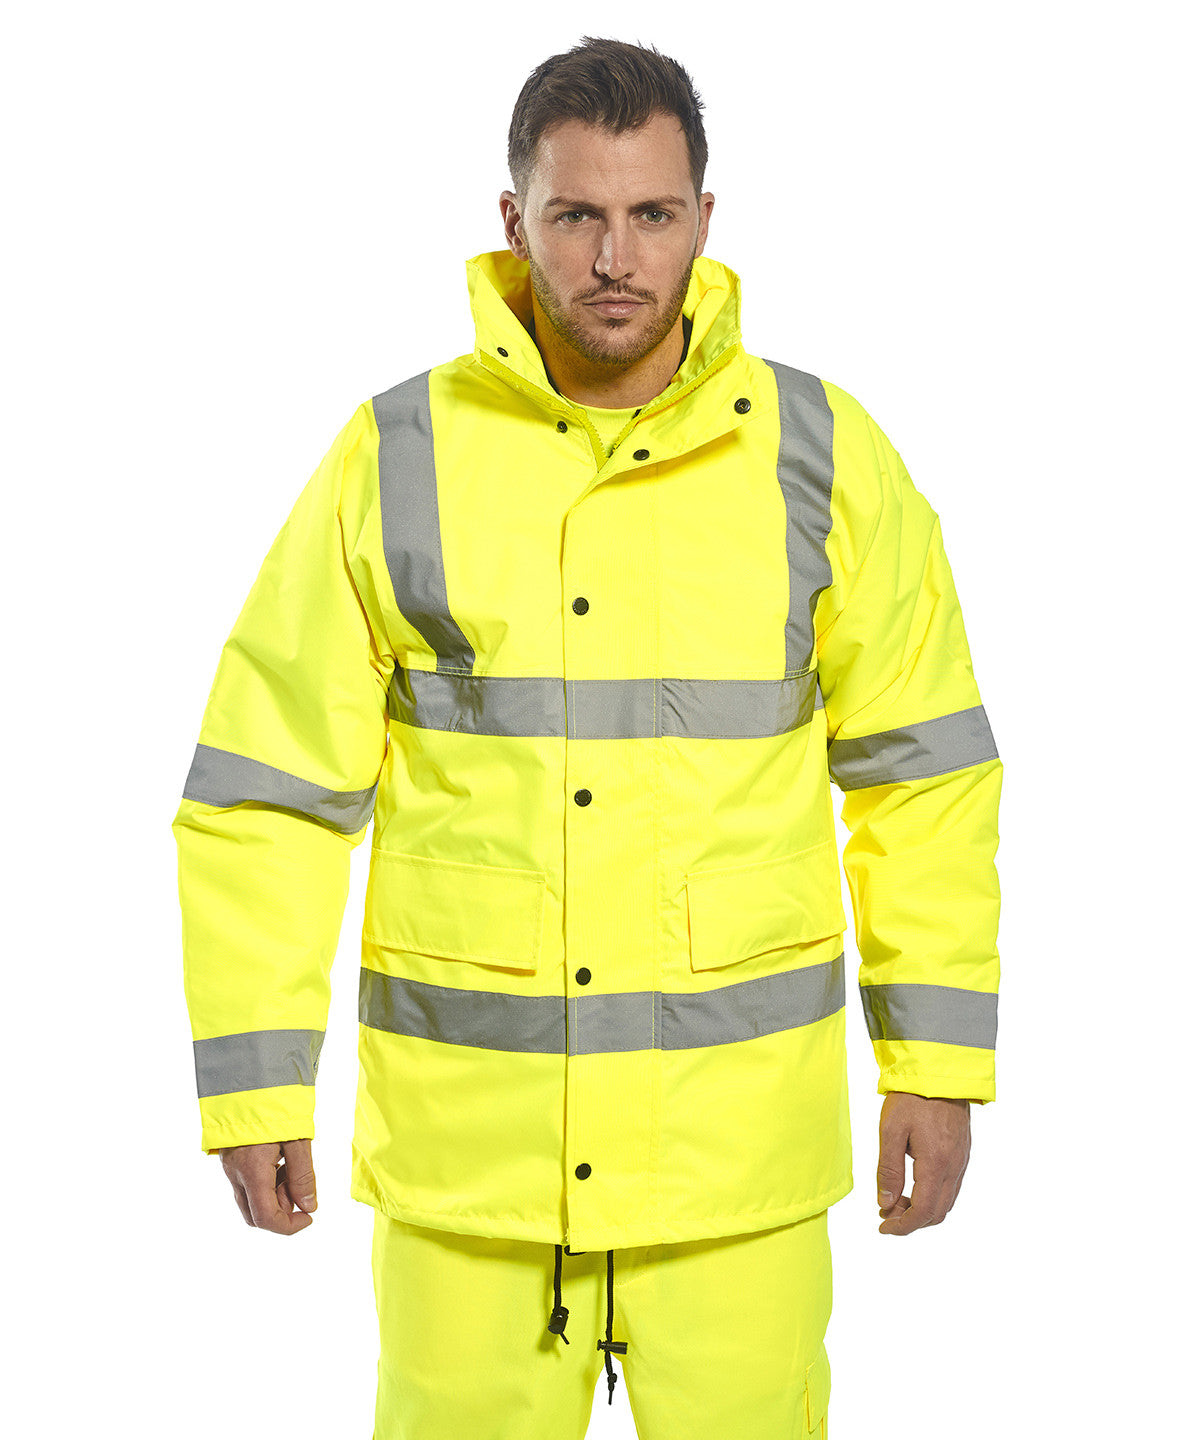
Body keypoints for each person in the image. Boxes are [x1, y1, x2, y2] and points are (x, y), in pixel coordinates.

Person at [172, 35, 1001, 1440]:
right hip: (472, 1176)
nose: (616, 258)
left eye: (652, 213)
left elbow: (924, 776)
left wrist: (933, 1063)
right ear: (514, 220)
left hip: (733, 1165)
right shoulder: (398, 454)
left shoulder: (820, 456)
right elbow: (270, 792)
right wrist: (253, 1082)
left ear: (705, 220)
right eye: (576, 216)